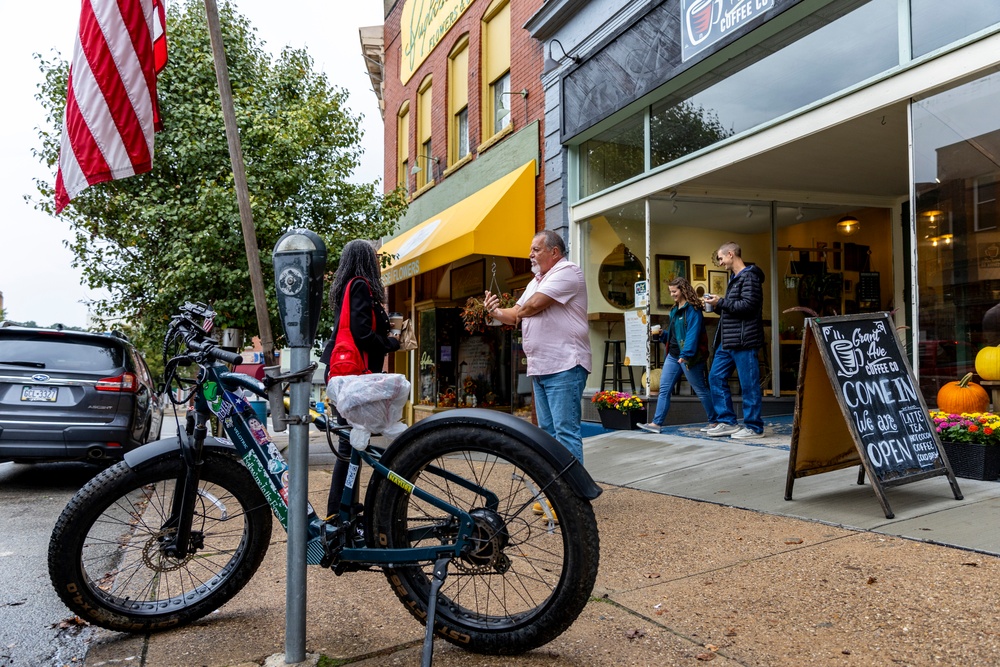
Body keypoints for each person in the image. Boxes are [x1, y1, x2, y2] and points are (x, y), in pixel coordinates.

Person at [484, 230, 591, 463]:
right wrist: (495, 312)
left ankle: (573, 497)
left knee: (565, 432)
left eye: (536, 249)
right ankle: (556, 492)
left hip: (565, 365)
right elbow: (514, 315)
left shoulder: (567, 271)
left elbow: (532, 306)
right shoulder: (536, 281)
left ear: (554, 252)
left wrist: (515, 313)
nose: (530, 254)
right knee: (548, 435)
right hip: (541, 368)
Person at [322, 239, 400, 517]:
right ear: (367, 260)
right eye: (375, 258)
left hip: (345, 375)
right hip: (353, 378)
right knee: (349, 441)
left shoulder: (347, 287)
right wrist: (391, 342)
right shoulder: (359, 286)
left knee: (354, 440)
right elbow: (362, 334)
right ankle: (339, 510)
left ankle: (345, 508)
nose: (378, 263)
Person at [702, 241, 765, 439]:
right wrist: (718, 304)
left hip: (745, 340)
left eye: (720, 258)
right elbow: (733, 308)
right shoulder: (735, 278)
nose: (720, 263)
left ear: (730, 254)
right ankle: (727, 421)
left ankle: (754, 427)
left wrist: (721, 302)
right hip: (728, 340)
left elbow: (748, 306)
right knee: (715, 377)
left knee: (749, 384)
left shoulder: (750, 277)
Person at [638, 277, 718, 434]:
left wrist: (686, 355)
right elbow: (675, 336)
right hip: (673, 356)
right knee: (664, 389)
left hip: (689, 357)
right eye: (670, 292)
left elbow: (692, 335)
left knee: (700, 389)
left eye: (674, 291)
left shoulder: (693, 311)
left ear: (683, 290)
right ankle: (656, 424)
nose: (672, 294)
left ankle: (714, 421)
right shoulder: (674, 311)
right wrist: (662, 335)